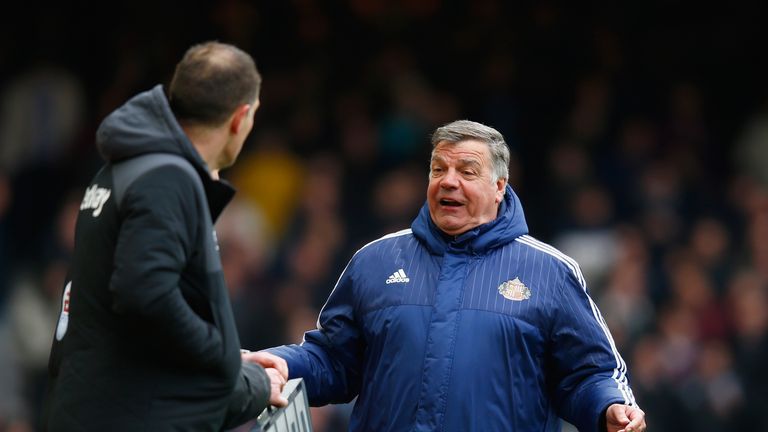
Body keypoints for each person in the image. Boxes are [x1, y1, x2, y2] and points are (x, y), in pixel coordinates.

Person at [251, 120, 646, 431]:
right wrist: (288, 364)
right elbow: (334, 359)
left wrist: (608, 406)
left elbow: (590, 372)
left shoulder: (550, 272)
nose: (448, 180)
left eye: (466, 170)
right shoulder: (375, 260)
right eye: (438, 168)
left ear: (499, 187)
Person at [42, 41, 288, 431]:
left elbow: (140, 331)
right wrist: (225, 362)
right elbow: (146, 294)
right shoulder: (166, 179)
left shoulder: (123, 168)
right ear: (241, 118)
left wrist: (234, 368)